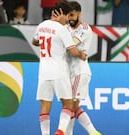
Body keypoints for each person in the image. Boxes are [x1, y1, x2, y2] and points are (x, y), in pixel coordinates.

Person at [32, 2, 86, 135]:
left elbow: (35, 41)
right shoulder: (62, 29)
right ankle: (61, 131)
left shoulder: (42, 25)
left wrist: (47, 37)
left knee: (45, 106)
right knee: (68, 104)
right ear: (63, 14)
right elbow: (73, 51)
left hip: (44, 71)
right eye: (68, 16)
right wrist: (81, 54)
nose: (68, 19)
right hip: (59, 70)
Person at [61, 2, 102, 135]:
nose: (70, 18)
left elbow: (70, 45)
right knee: (71, 106)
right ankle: (93, 131)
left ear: (80, 13)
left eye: (72, 15)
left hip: (79, 71)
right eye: (68, 15)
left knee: (71, 106)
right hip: (68, 72)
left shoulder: (84, 29)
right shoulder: (65, 27)